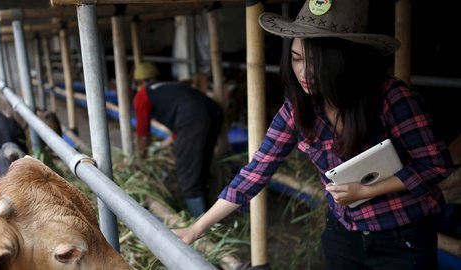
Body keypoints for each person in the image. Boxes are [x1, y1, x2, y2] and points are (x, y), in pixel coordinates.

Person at [172, 0, 454, 269]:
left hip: (402, 237)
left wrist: (368, 190)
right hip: (342, 232)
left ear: (344, 59)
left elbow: (436, 164)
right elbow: (254, 172)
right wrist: (195, 229)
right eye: (296, 59)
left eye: (316, 62)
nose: (304, 72)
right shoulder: (297, 108)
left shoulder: (390, 97)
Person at [133, 62, 224, 218]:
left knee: (187, 174)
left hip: (194, 120)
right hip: (214, 113)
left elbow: (143, 133)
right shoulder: (170, 87)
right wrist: (170, 141)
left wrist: (141, 157)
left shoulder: (142, 95)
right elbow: (185, 113)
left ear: (139, 83)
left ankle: (201, 225)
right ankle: (212, 214)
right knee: (202, 167)